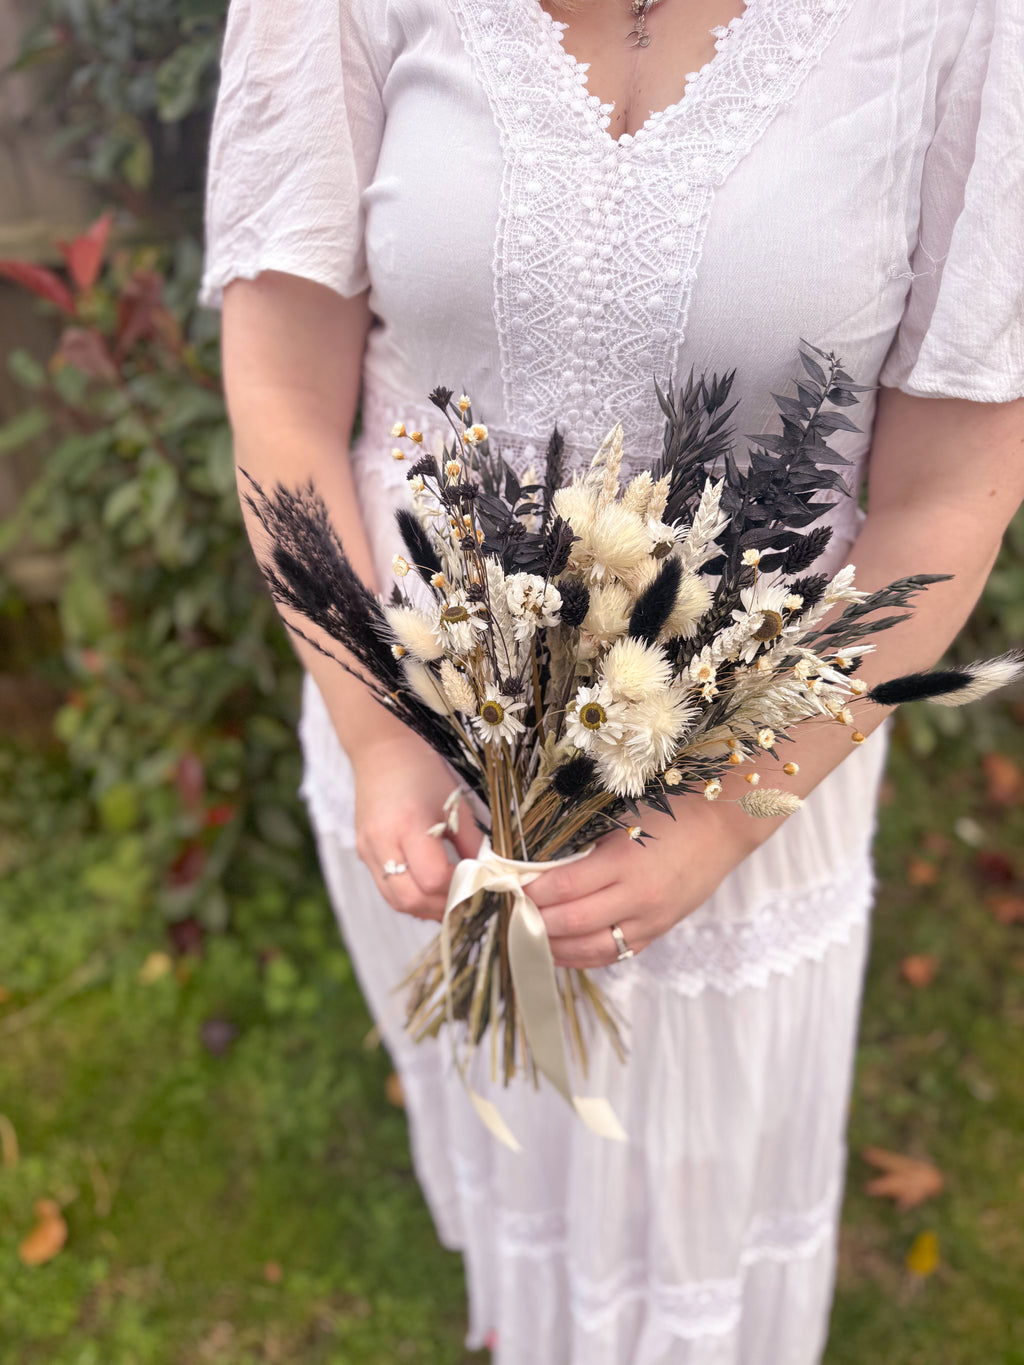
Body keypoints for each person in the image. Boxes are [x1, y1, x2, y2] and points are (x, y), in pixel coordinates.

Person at [200, 0, 1024, 1359]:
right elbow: (285, 393)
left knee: (693, 1219)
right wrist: (379, 730)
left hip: (749, 805)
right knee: (508, 1148)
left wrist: (721, 817)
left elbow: (947, 498)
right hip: (418, 765)